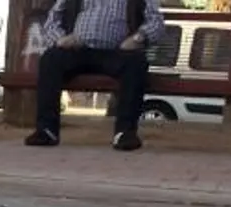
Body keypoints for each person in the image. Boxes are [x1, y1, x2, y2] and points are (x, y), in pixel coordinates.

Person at [25, 0, 166, 152]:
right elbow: (53, 19)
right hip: (77, 48)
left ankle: (125, 133)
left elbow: (156, 22)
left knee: (136, 63)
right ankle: (47, 130)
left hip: (117, 51)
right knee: (50, 59)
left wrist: (139, 38)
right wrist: (60, 39)